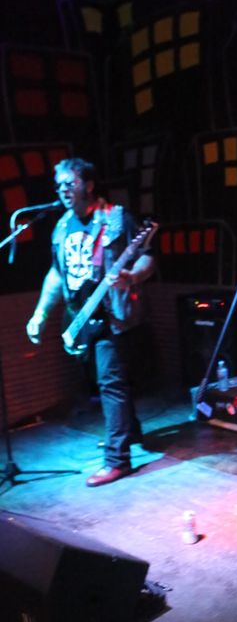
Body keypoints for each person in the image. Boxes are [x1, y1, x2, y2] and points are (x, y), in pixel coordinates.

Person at [26, 157, 155, 487]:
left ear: (89, 184)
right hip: (81, 316)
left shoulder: (116, 218)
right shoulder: (61, 227)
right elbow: (57, 273)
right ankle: (129, 432)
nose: (63, 190)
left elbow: (147, 256)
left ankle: (117, 460)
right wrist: (40, 313)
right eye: (59, 185)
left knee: (110, 383)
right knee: (110, 381)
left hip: (113, 315)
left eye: (70, 183)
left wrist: (131, 277)